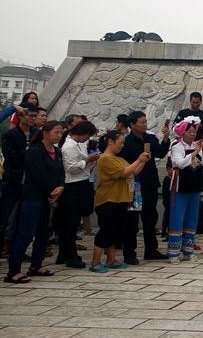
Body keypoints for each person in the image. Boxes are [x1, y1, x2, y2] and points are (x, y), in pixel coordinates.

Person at [5, 120, 64, 283]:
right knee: (25, 234)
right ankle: (13, 271)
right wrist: (51, 190)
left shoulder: (57, 151)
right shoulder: (34, 151)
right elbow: (38, 174)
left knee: (43, 234)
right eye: (56, 132)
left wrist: (60, 187)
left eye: (60, 133)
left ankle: (36, 265)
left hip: (49, 198)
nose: (58, 136)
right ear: (45, 133)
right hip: (33, 197)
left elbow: (60, 172)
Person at [91, 130, 149, 273]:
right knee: (105, 231)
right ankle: (95, 261)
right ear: (110, 142)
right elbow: (123, 172)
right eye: (120, 143)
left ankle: (111, 259)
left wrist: (143, 162)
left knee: (114, 232)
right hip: (108, 200)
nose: (122, 146)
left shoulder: (119, 159)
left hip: (121, 200)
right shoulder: (105, 158)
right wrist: (139, 160)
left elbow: (133, 172)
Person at [119, 111, 171, 264]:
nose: (145, 124)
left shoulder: (150, 138)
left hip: (149, 183)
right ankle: (129, 252)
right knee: (132, 220)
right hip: (133, 185)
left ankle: (151, 250)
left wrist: (166, 138)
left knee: (150, 217)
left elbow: (161, 153)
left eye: (145, 121)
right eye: (141, 122)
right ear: (132, 124)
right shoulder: (126, 142)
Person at [55, 120, 99, 268]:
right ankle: (70, 255)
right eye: (88, 135)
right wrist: (88, 160)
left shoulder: (74, 145)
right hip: (72, 186)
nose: (88, 138)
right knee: (70, 224)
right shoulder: (69, 147)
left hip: (79, 183)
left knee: (70, 223)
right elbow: (71, 168)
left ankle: (64, 253)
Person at [166, 117, 203, 263]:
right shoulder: (176, 146)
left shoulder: (198, 144)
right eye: (189, 131)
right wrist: (193, 153)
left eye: (194, 131)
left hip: (195, 186)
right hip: (180, 186)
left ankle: (188, 250)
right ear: (182, 133)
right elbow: (179, 163)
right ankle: (173, 252)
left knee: (192, 219)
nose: (192, 134)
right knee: (177, 219)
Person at [0, 104, 38, 255]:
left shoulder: (37, 134)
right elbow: (11, 157)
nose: (32, 118)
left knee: (23, 219)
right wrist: (28, 152)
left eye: (34, 116)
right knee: (5, 217)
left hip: (29, 183)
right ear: (20, 116)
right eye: (29, 115)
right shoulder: (10, 135)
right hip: (12, 181)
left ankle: (17, 251)